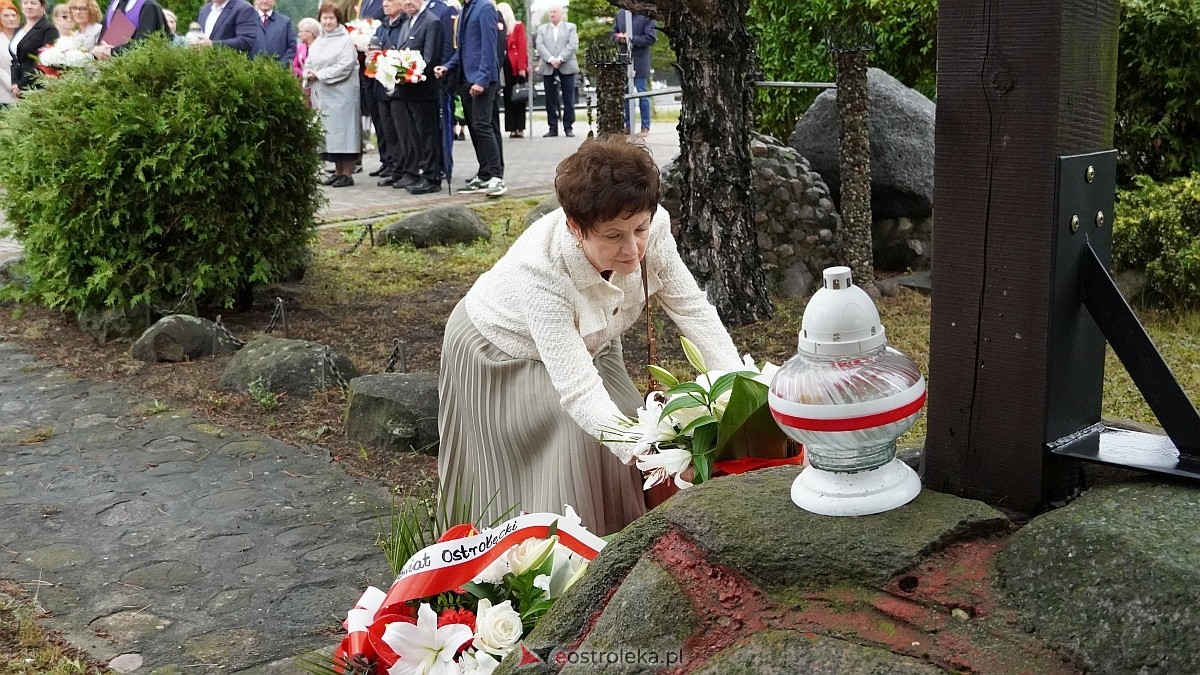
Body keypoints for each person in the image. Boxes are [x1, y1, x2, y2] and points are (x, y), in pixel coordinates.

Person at [438, 136, 744, 536]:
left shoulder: (654, 228)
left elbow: (692, 310)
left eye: (639, 229)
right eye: (613, 236)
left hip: (593, 337)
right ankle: (556, 556)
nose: (632, 249)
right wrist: (655, 455)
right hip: (501, 344)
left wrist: (740, 395)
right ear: (576, 228)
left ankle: (628, 540)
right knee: (577, 445)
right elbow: (579, 392)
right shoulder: (542, 272)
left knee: (629, 423)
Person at [433, 0, 503, 196]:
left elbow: (489, 47)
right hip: (465, 78)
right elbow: (463, 50)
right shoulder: (465, 9)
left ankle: (496, 176)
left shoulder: (485, 7)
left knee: (483, 125)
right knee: (474, 127)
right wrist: (447, 66)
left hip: (482, 78)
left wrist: (482, 80)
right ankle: (485, 173)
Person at [390, 0, 442, 193]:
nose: (408, 3)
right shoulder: (407, 22)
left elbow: (430, 58)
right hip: (407, 91)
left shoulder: (431, 22)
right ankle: (421, 173)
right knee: (415, 136)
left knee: (427, 135)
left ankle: (432, 177)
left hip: (423, 90)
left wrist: (409, 75)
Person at [305, 1, 360, 187]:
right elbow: (309, 62)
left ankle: (347, 173)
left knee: (345, 134)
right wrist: (308, 73)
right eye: (324, 18)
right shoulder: (319, 41)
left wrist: (320, 74)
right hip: (324, 95)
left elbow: (345, 65)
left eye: (331, 18)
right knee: (331, 135)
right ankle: (337, 171)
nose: (328, 22)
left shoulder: (345, 40)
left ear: (338, 20)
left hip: (342, 94)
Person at [533, 4, 576, 138]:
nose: (552, 14)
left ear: (561, 14)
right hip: (548, 67)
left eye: (555, 12)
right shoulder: (542, 29)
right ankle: (552, 127)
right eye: (550, 12)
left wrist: (561, 59)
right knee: (550, 100)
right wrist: (551, 59)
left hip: (567, 66)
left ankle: (568, 127)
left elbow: (573, 45)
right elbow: (540, 45)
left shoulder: (570, 27)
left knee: (569, 99)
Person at [612, 10, 654, 137]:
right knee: (625, 94)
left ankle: (645, 127)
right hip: (624, 60)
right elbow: (613, 33)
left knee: (642, 93)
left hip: (640, 60)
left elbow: (651, 37)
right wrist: (618, 37)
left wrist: (631, 39)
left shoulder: (646, 14)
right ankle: (628, 125)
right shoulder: (620, 14)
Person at [9, 0, 58, 98]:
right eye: (25, 3)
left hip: (38, 85)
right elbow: (15, 60)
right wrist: (15, 83)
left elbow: (45, 61)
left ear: (43, 7)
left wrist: (21, 85)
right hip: (19, 86)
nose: (29, 6)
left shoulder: (49, 29)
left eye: (33, 3)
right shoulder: (18, 30)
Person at [92, 0, 168, 60]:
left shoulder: (149, 6)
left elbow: (144, 45)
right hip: (110, 68)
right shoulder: (113, 6)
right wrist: (97, 50)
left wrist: (111, 52)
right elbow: (102, 41)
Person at [496, 2, 524, 139]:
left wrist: (522, 67)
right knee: (507, 97)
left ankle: (520, 127)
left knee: (519, 97)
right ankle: (511, 127)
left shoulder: (517, 26)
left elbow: (522, 46)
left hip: (515, 65)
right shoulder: (498, 27)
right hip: (504, 65)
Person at [250, 0, 295, 65]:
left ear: (274, 1)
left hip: (279, 70)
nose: (265, 1)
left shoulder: (285, 22)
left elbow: (292, 47)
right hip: (250, 69)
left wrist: (281, 65)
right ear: (256, 1)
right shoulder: (247, 20)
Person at [0, 0, 18, 106]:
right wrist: (14, 87)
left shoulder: (23, 36)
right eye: (6, 15)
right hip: (4, 96)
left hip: (27, 92)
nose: (11, 19)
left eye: (13, 15)